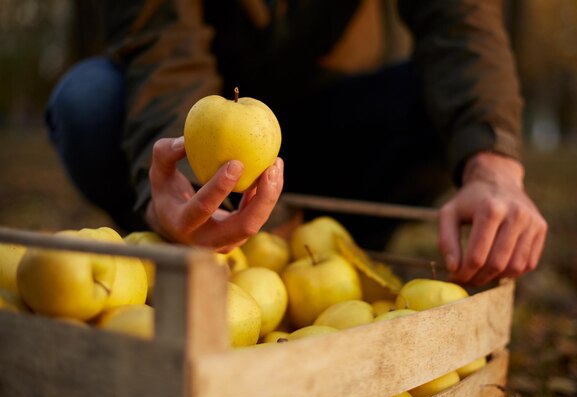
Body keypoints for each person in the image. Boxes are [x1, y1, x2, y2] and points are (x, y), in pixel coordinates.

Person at [46, 0, 547, 286]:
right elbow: (163, 52)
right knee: (88, 102)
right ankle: (183, 242)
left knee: (446, 100)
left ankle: (342, 249)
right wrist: (176, 189)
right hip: (213, 132)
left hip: (341, 122)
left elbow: (459, 21)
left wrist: (492, 163)